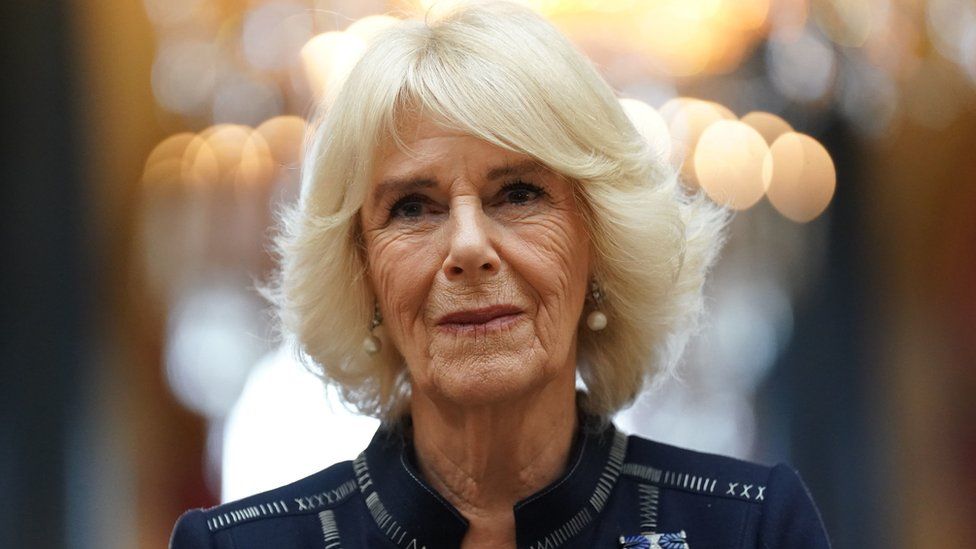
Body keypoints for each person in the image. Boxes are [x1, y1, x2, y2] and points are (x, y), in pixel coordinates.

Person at [170, 2, 831, 547]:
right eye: (413, 207)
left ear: (599, 242)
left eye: (517, 194)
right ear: (363, 271)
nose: (467, 246)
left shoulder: (751, 528)